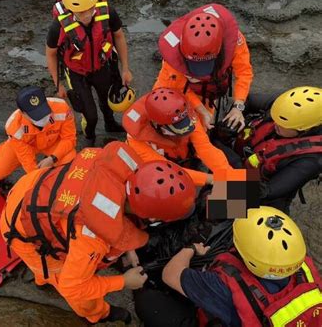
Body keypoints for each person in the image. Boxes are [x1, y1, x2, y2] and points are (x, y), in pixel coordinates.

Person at [0, 141, 197, 323]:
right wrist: (123, 282)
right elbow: (73, 286)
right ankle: (98, 314)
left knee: (53, 262)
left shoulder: (125, 171)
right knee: (68, 283)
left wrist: (127, 247)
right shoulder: (92, 237)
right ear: (153, 218)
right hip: (20, 225)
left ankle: (42, 276)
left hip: (35, 186)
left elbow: (117, 215)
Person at [162, 206, 322, 327]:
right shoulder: (303, 266)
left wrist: (190, 249)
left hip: (236, 308)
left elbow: (170, 274)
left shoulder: (224, 286)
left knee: (149, 301)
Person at [46, 0, 132, 146]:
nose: (86, 15)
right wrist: (58, 84)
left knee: (107, 103)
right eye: (81, 12)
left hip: (102, 66)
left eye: (90, 9)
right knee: (90, 114)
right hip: (77, 73)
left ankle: (110, 124)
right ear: (70, 8)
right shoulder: (58, 26)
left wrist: (125, 68)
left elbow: (119, 36)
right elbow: (51, 54)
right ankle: (89, 135)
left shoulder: (107, 11)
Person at [217, 86, 322, 212]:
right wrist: (236, 115)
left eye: (283, 124)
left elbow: (267, 191)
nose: (275, 123)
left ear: (304, 130)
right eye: (275, 117)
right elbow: (249, 100)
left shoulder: (310, 161)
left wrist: (233, 163)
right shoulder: (284, 105)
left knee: (217, 209)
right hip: (247, 153)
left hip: (265, 187)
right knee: (215, 137)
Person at [155, 3, 253, 132]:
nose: (199, 75)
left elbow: (244, 72)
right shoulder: (172, 59)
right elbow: (178, 86)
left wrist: (238, 105)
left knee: (204, 127)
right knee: (164, 116)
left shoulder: (234, 42)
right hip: (175, 87)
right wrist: (201, 110)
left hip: (209, 91)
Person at [123, 87, 232, 186]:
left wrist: (228, 174)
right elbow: (167, 170)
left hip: (183, 157)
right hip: (160, 176)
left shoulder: (182, 111)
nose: (184, 130)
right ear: (157, 125)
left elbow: (205, 147)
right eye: (178, 128)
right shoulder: (136, 140)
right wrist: (212, 179)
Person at [0, 86, 76, 183]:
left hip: (51, 142)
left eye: (44, 111)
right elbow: (26, 158)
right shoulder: (14, 127)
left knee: (69, 158)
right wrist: (37, 176)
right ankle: (4, 148)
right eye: (37, 116)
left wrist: (52, 158)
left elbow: (69, 139)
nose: (43, 118)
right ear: (23, 113)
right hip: (27, 146)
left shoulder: (62, 108)